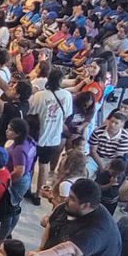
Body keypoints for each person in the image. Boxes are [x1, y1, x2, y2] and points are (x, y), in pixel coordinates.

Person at [28, 179, 121, 256]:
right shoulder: (66, 208)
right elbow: (52, 223)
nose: (66, 199)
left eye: (72, 198)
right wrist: (41, 249)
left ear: (86, 206)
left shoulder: (98, 228)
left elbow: (72, 249)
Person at [27, 68, 73, 203]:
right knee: (44, 165)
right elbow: (67, 115)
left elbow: (31, 112)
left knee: (31, 163)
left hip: (37, 135)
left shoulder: (40, 95)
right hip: (54, 137)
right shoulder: (67, 95)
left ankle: (27, 189)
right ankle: (38, 195)